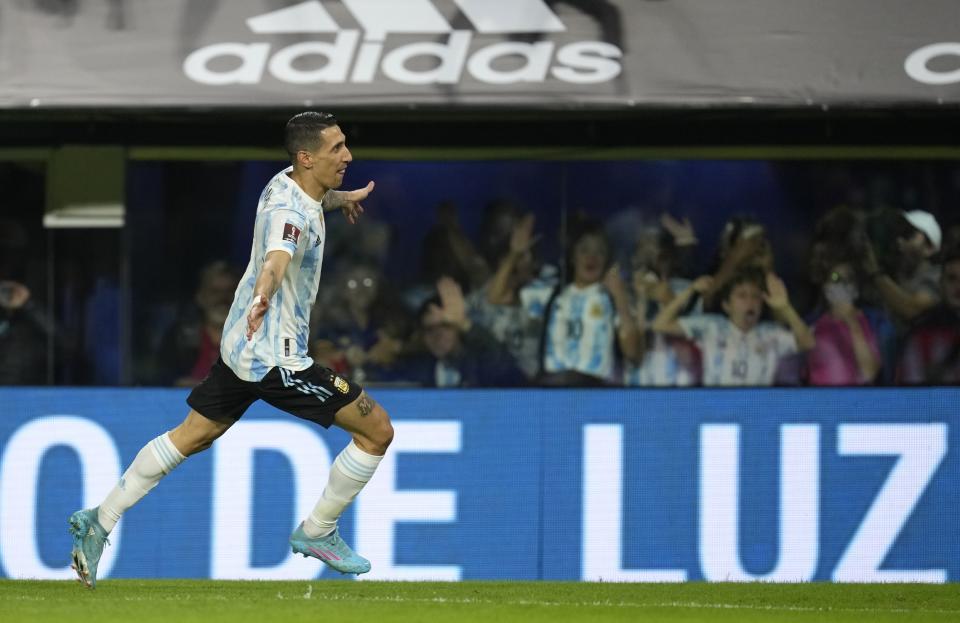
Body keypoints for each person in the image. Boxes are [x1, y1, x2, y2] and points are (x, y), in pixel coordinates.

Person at [68, 112, 392, 588]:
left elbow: (307, 205)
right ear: (307, 157)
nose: (347, 155)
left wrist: (340, 198)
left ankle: (99, 519)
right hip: (277, 361)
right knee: (376, 431)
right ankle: (318, 531)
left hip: (241, 345)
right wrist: (264, 296)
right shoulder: (290, 215)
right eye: (336, 148)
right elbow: (277, 259)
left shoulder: (283, 183)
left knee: (191, 436)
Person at [653, 267, 815, 386]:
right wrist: (690, 290)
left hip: (757, 412)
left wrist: (785, 306)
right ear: (726, 305)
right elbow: (660, 324)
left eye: (756, 297)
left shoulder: (770, 334)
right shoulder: (711, 326)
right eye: (742, 296)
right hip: (716, 411)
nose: (750, 302)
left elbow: (808, 342)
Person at [807, 261, 882, 386]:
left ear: (856, 289)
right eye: (836, 278)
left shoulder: (872, 321)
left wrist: (852, 322)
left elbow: (870, 373)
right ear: (825, 287)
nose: (841, 284)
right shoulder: (814, 323)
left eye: (848, 280)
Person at [897, 252, 960, 385]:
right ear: (941, 283)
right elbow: (910, 393)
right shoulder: (920, 333)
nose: (958, 287)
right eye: (952, 279)